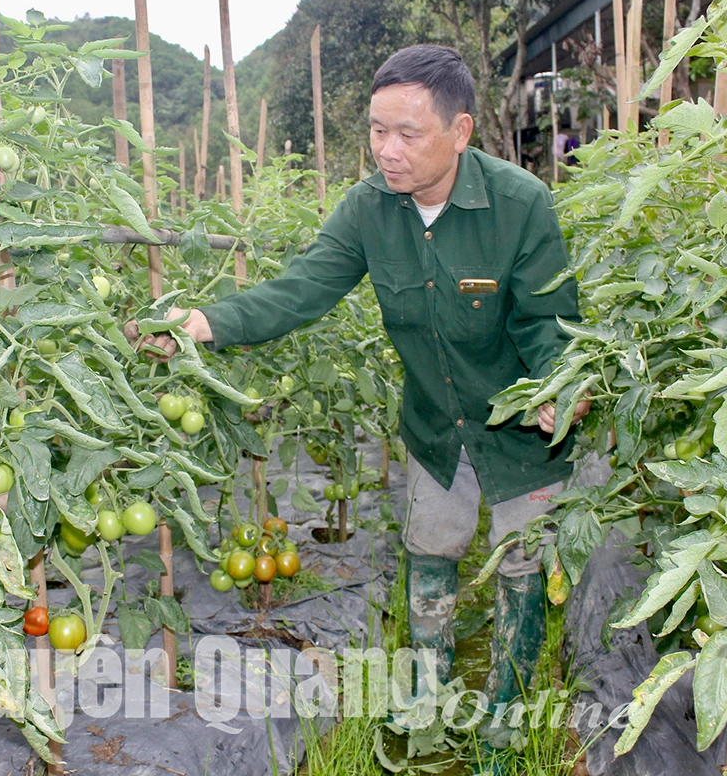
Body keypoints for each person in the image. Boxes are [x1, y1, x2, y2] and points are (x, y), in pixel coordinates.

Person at [133, 43, 589, 744]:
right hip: (437, 428)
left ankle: (509, 718)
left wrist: (562, 385)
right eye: (377, 130)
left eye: (407, 133)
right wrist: (205, 323)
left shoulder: (520, 205)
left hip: (522, 431)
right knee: (430, 548)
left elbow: (548, 321)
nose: (387, 150)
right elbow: (302, 289)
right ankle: (426, 702)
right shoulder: (369, 210)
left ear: (460, 131)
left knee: (523, 564)